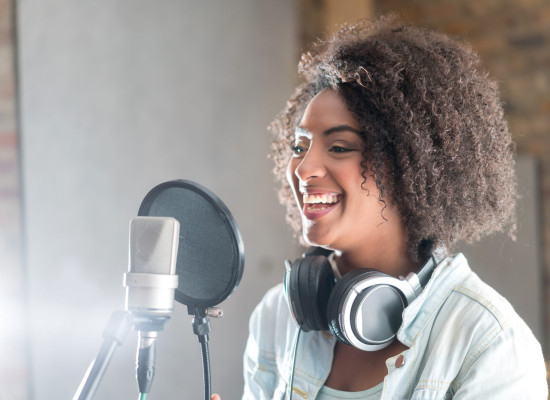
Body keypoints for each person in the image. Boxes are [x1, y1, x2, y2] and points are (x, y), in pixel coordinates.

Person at [235, 15, 547, 400]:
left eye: (339, 147)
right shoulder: (277, 318)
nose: (303, 168)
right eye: (300, 146)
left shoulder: (489, 345)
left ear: (407, 164)